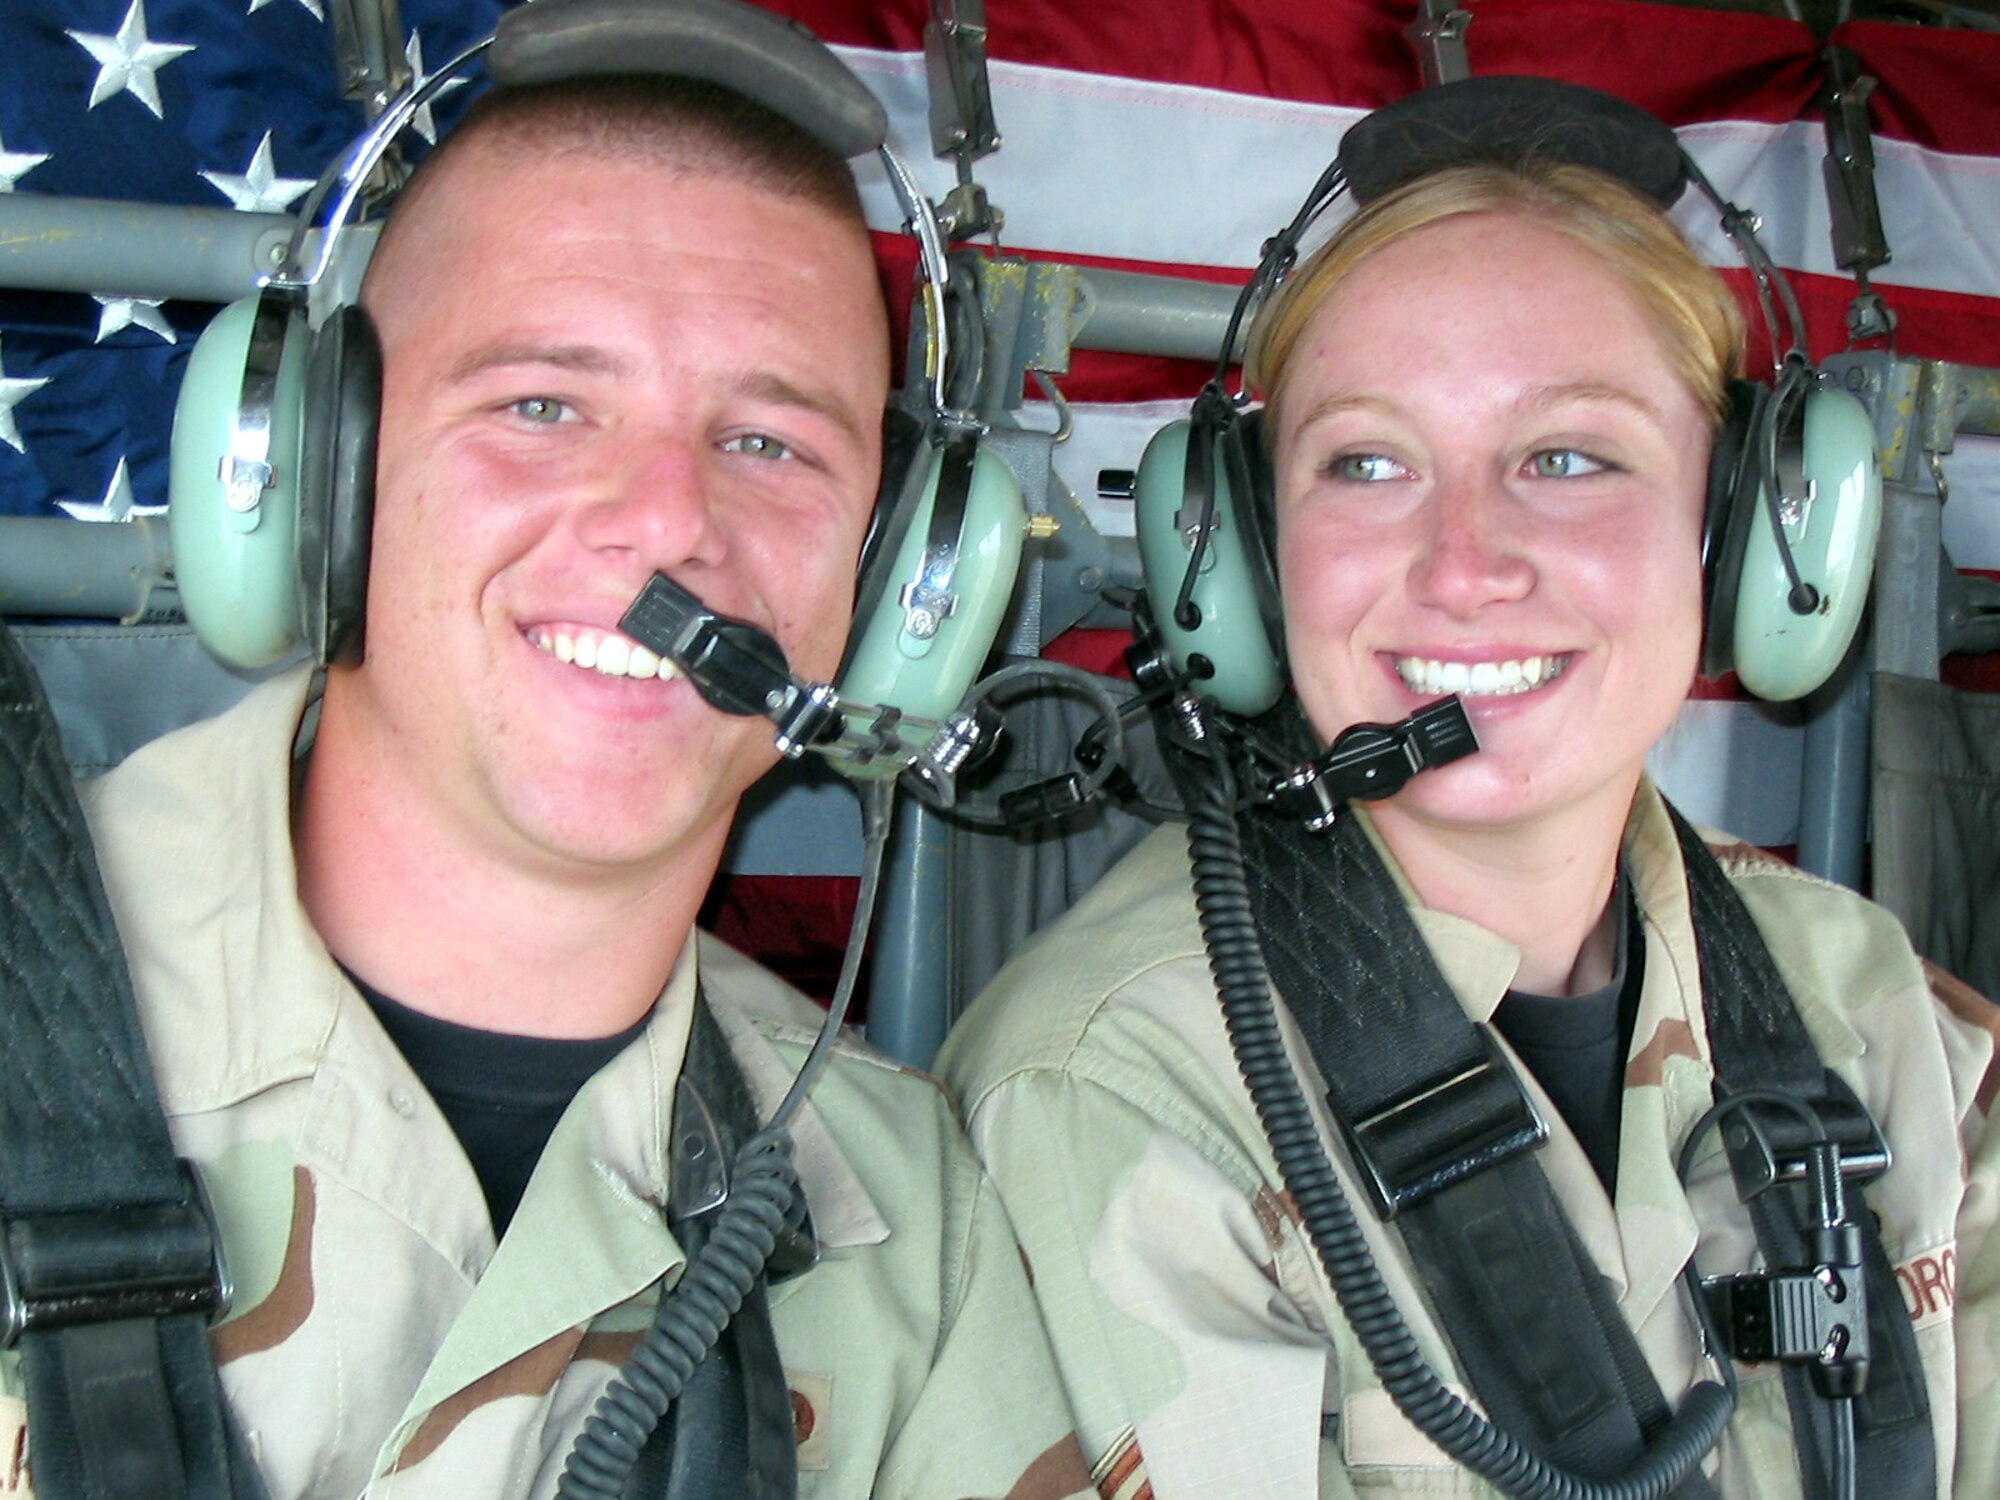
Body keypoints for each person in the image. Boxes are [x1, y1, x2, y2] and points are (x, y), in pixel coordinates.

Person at [3, 63, 1091, 1500]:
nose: (666, 524)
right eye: (542, 406)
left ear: (897, 595)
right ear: (319, 483)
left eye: (767, 442)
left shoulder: (899, 1214)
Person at [938, 147, 2000, 1497]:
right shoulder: (1118, 1091)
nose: (1463, 566)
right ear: (1247, 556)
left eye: (1567, 456)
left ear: (1744, 540)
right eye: (1369, 462)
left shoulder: (1880, 1013)